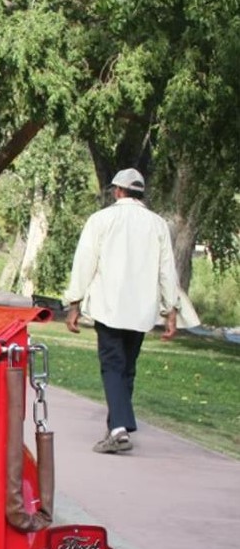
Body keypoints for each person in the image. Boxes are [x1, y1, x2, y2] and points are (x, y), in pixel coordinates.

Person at [63, 168, 180, 454]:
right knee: (127, 368)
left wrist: (74, 303)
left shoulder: (101, 220)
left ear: (117, 191)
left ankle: (118, 429)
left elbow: (85, 262)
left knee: (112, 366)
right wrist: (171, 309)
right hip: (141, 309)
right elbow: (167, 270)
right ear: (140, 193)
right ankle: (118, 426)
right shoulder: (157, 225)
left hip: (109, 305)